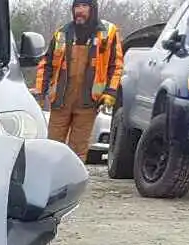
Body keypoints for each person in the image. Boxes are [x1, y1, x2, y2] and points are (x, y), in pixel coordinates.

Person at [34, 0, 124, 161]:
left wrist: (111, 91)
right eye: (76, 6)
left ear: (93, 9)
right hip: (60, 100)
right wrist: (41, 92)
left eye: (84, 6)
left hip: (88, 102)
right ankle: (51, 183)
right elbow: (45, 64)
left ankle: (73, 184)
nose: (79, 11)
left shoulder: (108, 33)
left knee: (78, 151)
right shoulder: (61, 33)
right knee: (52, 147)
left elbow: (116, 65)